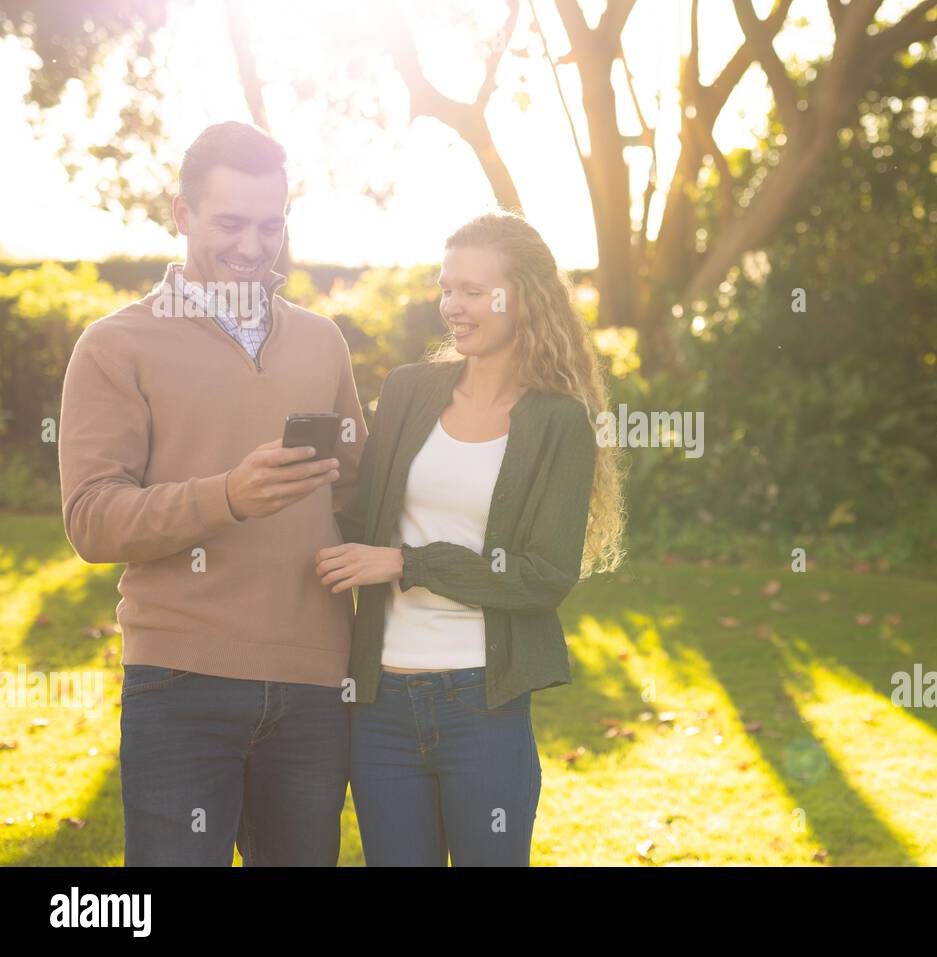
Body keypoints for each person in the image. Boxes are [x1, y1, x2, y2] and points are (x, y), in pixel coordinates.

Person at [58, 121, 367, 866]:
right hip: (180, 683)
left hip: (315, 685)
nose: (253, 246)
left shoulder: (323, 341)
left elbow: (361, 489)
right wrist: (226, 495)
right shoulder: (116, 345)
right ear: (183, 214)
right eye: (230, 223)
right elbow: (91, 520)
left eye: (271, 224)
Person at [316, 210, 625, 866]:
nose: (452, 305)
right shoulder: (408, 391)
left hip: (483, 707)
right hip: (381, 707)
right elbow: (362, 521)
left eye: (475, 291)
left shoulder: (559, 423)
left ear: (525, 299)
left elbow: (543, 574)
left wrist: (409, 562)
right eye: (446, 286)